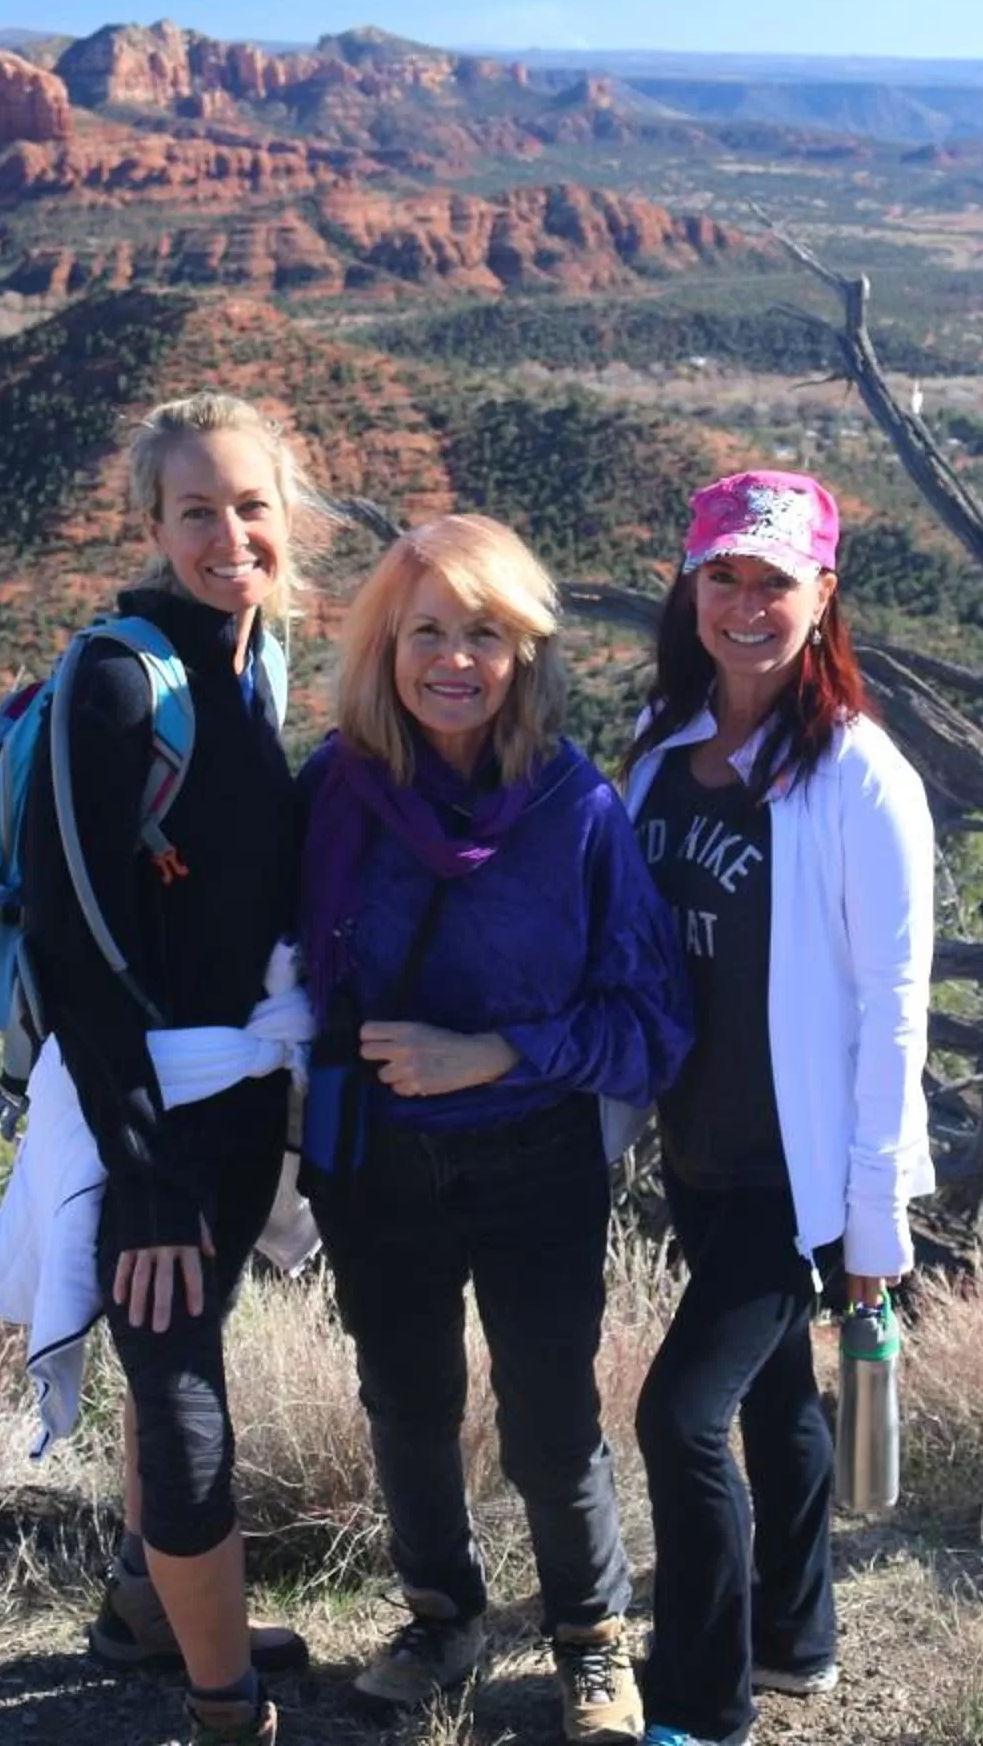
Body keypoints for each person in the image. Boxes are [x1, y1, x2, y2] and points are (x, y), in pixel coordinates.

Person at [297, 514, 692, 1745]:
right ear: (385, 645)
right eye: (427, 631)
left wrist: (500, 1050)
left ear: (527, 650)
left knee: (551, 1413)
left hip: (532, 1154)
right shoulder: (332, 792)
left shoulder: (577, 808)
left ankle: (590, 1635)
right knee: (405, 1397)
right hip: (375, 1158)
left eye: (485, 632)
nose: (454, 659)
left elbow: (652, 1020)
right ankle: (441, 1616)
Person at [21, 391, 322, 1746]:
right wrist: (141, 1171)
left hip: (243, 1091)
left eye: (251, 505)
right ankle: (223, 1707)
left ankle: (149, 1603)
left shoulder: (257, 662)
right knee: (184, 1391)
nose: (229, 535)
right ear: (151, 521)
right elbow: (75, 945)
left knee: (180, 1368)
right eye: (197, 510)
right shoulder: (113, 680)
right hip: (147, 1110)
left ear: (286, 513)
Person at [617, 470, 936, 1746]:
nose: (747, 605)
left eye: (775, 581)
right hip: (696, 1147)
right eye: (725, 577)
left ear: (824, 594)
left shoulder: (859, 775)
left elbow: (896, 1005)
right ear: (692, 583)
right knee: (771, 1395)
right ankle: (796, 1636)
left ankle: (702, 1700)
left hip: (794, 1176)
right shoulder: (661, 749)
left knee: (678, 1417)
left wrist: (875, 1221)